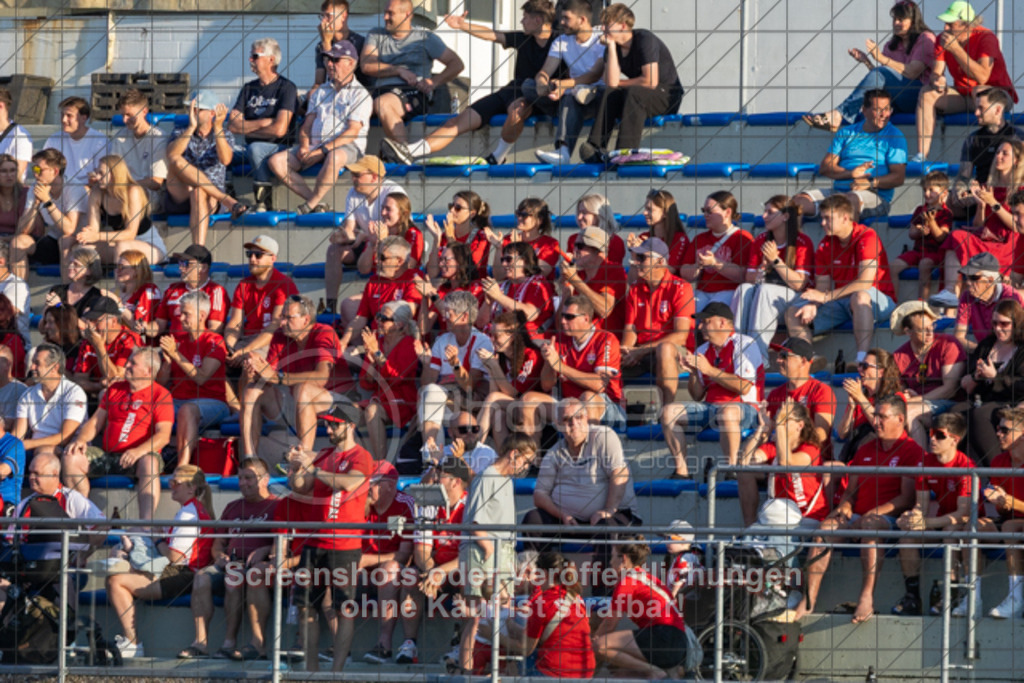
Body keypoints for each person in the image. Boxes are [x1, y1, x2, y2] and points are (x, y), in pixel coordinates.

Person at [380, 0, 557, 165]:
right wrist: (463, 25)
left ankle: (498, 157)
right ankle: (411, 151)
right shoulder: (523, 38)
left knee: (517, 109)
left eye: (525, 17)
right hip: (510, 90)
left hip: (532, 98)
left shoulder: (559, 43)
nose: (521, 21)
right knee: (460, 120)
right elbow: (492, 35)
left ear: (538, 20)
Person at [796, 396, 922, 623]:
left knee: (870, 527)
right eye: (875, 416)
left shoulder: (911, 451)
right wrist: (845, 505)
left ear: (900, 419)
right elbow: (850, 491)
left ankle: (866, 597)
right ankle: (808, 599)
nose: (876, 422)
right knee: (825, 530)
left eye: (882, 417)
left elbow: (905, 498)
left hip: (888, 518)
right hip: (859, 515)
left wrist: (869, 514)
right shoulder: (865, 448)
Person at [286, 402, 371, 673]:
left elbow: (349, 483)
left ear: (351, 426)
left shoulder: (361, 456)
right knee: (306, 608)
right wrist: (296, 467)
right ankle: (311, 671)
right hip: (315, 541)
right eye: (327, 423)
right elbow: (300, 486)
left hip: (344, 544)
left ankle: (337, 672)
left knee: (343, 608)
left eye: (334, 423)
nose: (329, 428)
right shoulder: (323, 454)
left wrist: (312, 468)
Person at [522, 398, 640, 595]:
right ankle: (542, 589)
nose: (573, 423)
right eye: (567, 419)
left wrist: (608, 510)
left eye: (579, 417)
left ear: (587, 419)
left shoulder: (604, 436)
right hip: (570, 521)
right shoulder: (553, 453)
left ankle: (601, 596)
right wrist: (562, 515)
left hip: (614, 514)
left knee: (606, 527)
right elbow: (540, 495)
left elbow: (620, 473)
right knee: (532, 520)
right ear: (559, 425)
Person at [106, 464, 216, 659]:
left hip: (183, 574)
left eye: (175, 482)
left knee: (116, 581)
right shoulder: (191, 510)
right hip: (180, 571)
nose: (170, 486)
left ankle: (132, 643)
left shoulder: (190, 514)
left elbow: (176, 557)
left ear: (191, 488)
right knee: (120, 560)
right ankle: (130, 642)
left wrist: (157, 538)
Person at [183, 457, 278, 660]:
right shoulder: (232, 507)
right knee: (201, 577)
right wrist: (220, 557)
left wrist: (266, 549)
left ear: (265, 479)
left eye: (249, 478)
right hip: (230, 564)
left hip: (258, 568)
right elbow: (218, 544)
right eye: (240, 478)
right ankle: (200, 643)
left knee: (233, 579)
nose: (243, 483)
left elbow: (286, 543)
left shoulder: (277, 506)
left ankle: (229, 642)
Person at [455, 429, 533, 674]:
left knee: (502, 617)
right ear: (514, 454)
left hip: (502, 554)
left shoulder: (506, 481)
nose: (526, 466)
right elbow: (474, 522)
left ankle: (499, 673)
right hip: (482, 554)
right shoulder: (487, 477)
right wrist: (490, 551)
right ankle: (467, 673)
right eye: (526, 460)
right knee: (476, 617)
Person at [63, 347, 173, 520]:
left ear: (148, 371)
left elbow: (163, 435)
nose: (126, 365)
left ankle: (145, 524)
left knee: (150, 462)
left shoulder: (161, 395)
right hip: (110, 455)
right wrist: (81, 440)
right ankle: (82, 518)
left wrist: (138, 451)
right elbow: (95, 422)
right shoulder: (115, 389)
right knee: (72, 457)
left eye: (132, 363)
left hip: (139, 458)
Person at [785, 194, 897, 364]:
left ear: (845, 218)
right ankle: (807, 359)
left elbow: (865, 282)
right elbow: (822, 287)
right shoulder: (825, 245)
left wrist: (825, 297)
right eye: (822, 218)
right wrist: (814, 304)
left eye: (827, 218)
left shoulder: (867, 236)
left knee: (860, 296)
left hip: (878, 301)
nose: (822, 223)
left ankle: (861, 359)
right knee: (793, 312)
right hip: (842, 301)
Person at [661, 302, 763, 477]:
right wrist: (694, 373)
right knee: (668, 412)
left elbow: (744, 387)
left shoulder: (745, 343)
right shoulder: (703, 349)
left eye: (706, 322)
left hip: (745, 408)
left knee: (728, 412)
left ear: (722, 323)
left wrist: (709, 370)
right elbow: (698, 395)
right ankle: (682, 471)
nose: (700, 327)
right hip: (711, 408)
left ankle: (731, 470)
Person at [269, 39, 370, 215]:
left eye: (335, 60)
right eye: (328, 60)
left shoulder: (360, 94)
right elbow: (306, 126)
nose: (330, 64)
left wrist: (321, 151)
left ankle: (311, 203)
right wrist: (305, 147)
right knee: (276, 161)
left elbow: (352, 132)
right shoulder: (321, 91)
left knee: (335, 156)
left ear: (351, 63)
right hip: (316, 145)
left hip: (346, 147)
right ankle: (316, 202)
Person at [802, 1, 935, 132]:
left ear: (913, 20)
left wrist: (882, 59)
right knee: (872, 104)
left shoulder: (925, 39)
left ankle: (839, 115)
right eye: (894, 19)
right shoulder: (891, 46)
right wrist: (867, 62)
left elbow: (912, 72)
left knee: (876, 94)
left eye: (901, 19)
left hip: (919, 98)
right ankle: (847, 129)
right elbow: (881, 79)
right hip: (896, 99)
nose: (896, 23)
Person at [577, 3, 684, 164]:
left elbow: (650, 80)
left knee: (633, 92)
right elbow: (611, 83)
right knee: (607, 92)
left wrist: (620, 84)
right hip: (639, 95)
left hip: (667, 95)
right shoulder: (613, 47)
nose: (603, 28)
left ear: (622, 26)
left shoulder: (644, 40)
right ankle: (596, 147)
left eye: (608, 24)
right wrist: (612, 47)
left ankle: (624, 153)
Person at [893, 412, 976, 616]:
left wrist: (926, 522)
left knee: (951, 530)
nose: (932, 439)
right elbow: (920, 505)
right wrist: (912, 518)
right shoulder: (925, 462)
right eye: (931, 433)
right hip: (941, 520)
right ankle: (912, 597)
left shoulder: (965, 466)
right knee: (907, 536)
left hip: (966, 524)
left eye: (939, 435)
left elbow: (963, 513)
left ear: (955, 440)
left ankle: (951, 594)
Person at [239, 295, 342, 457]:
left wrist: (278, 377)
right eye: (282, 317)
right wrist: (255, 371)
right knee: (251, 391)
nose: (282, 323)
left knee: (304, 390)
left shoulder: (324, 332)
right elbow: (269, 376)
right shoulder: (280, 335)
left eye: (288, 318)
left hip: (335, 403)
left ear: (306, 319)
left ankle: (303, 458)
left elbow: (322, 377)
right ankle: (250, 460)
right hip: (293, 402)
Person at [914, 1, 1017, 162]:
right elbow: (936, 71)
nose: (945, 28)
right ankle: (921, 155)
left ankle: (988, 151)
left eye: (950, 24)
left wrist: (956, 50)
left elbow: (982, 76)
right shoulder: (943, 38)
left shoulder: (986, 38)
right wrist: (937, 79)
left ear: (967, 25)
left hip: (999, 96)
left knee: (980, 91)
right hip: (966, 96)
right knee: (927, 93)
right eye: (945, 23)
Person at [1, 455, 104, 610]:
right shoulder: (24, 504)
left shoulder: (71, 499)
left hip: (62, 569)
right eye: (31, 473)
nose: (32, 478)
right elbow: (11, 541)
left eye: (37, 473)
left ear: (54, 474)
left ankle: (68, 629)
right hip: (30, 568)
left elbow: (102, 527)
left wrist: (82, 555)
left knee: (63, 580)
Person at [396, 455, 471, 664]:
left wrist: (440, 572)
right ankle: (409, 644)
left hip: (460, 567)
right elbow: (421, 551)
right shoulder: (429, 502)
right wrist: (431, 571)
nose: (435, 479)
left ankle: (460, 643)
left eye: (441, 476)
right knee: (410, 575)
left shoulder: (471, 506)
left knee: (470, 577)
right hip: (435, 567)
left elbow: (470, 555)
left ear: (455, 481)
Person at [361, 0, 465, 145]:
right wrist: (398, 70)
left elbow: (456, 64)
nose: (385, 17)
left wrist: (434, 82)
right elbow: (366, 65)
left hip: (413, 92)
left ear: (407, 14)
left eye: (390, 13)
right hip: (380, 91)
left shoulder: (425, 38)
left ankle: (403, 155)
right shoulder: (375, 35)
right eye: (385, 12)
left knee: (382, 103)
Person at [521, 295, 625, 440]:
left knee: (587, 398)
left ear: (586, 318)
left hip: (608, 407)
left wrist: (560, 366)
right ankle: (532, 459)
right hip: (569, 405)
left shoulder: (606, 339)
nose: (563, 321)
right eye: (562, 315)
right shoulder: (560, 340)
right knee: (529, 400)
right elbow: (546, 385)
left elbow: (600, 385)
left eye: (569, 317)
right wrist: (549, 362)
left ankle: (592, 455)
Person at [794, 89, 907, 220]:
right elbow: (825, 168)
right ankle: (792, 241)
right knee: (795, 204)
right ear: (864, 110)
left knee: (847, 203)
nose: (884, 115)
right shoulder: (846, 132)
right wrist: (851, 173)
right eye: (878, 110)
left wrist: (870, 183)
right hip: (839, 192)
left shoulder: (895, 136)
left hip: (875, 195)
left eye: (887, 109)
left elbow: (898, 177)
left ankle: (850, 240)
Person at [592, 537, 689, 679]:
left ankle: (654, 671)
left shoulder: (627, 581)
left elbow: (610, 623)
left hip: (664, 637)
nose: (610, 562)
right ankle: (664, 671)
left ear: (623, 559)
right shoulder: (647, 577)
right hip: (678, 641)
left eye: (612, 557)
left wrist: (594, 640)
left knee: (601, 646)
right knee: (621, 673)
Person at [731, 195, 813, 358]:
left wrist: (776, 261)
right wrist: (763, 267)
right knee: (743, 289)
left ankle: (758, 355)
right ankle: (735, 348)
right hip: (765, 300)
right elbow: (749, 278)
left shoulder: (802, 242)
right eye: (764, 211)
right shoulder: (761, 240)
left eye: (770, 212)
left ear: (785, 216)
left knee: (765, 291)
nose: (764, 216)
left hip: (794, 300)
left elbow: (799, 284)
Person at [324, 155, 406, 314]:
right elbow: (350, 228)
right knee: (333, 250)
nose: (353, 179)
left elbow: (395, 232)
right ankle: (330, 306)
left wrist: (364, 236)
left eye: (357, 175)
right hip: (370, 242)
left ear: (374, 177)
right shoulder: (353, 193)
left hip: (392, 245)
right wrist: (343, 236)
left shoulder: (394, 193)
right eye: (352, 175)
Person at [165, 92, 249, 246]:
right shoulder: (180, 131)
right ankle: (228, 200)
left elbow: (225, 160)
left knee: (199, 192)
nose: (193, 112)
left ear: (212, 113)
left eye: (198, 109)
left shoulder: (225, 134)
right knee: (176, 159)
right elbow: (171, 155)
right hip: (182, 192)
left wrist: (218, 128)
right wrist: (190, 128)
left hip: (209, 198)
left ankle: (198, 249)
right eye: (191, 109)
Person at [940, 141, 1024, 294]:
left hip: (1009, 245)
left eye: (1005, 153)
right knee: (956, 237)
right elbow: (979, 225)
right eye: (997, 152)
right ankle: (950, 291)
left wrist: (993, 202)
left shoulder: (1021, 189)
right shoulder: (989, 186)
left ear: (1016, 160)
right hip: (987, 238)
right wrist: (981, 205)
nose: (998, 156)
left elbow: (1018, 225)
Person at [620, 237, 694, 411]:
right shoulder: (636, 289)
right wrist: (626, 351)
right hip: (643, 351)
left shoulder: (681, 287)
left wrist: (641, 350)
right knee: (607, 355)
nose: (635, 262)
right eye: (636, 258)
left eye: (642, 258)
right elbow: (630, 330)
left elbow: (680, 336)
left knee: (665, 349)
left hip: (673, 353)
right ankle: (614, 414)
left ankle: (667, 412)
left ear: (660, 262)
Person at [158, 291, 231, 468]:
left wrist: (176, 354)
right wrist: (167, 364)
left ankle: (183, 466)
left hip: (211, 402)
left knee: (187, 410)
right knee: (146, 405)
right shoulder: (178, 340)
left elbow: (202, 378)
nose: (180, 317)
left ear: (202, 316)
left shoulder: (214, 341)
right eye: (180, 313)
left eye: (186, 314)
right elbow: (159, 384)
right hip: (178, 400)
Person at [416, 291, 493, 451]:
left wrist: (455, 365)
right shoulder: (442, 340)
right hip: (449, 404)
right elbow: (426, 384)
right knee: (429, 394)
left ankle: (433, 458)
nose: (444, 317)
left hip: (472, 407)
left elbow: (470, 387)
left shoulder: (482, 342)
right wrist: (426, 363)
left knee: (432, 399)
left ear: (464, 317)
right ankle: (433, 458)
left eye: (448, 313)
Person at [229, 37, 298, 213]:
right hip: (249, 145)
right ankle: (228, 200)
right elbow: (233, 126)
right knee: (220, 147)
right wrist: (264, 122)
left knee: (256, 149)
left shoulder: (286, 88)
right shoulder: (248, 88)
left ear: (271, 60)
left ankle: (264, 203)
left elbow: (280, 130)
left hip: (279, 148)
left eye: (255, 56)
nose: (250, 60)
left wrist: (248, 128)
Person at [533, 0, 605, 165]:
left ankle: (563, 151)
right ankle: (557, 102)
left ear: (582, 20)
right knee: (527, 86)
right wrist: (541, 81)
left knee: (572, 96)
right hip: (570, 91)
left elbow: (594, 75)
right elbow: (546, 71)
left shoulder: (600, 41)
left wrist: (564, 85)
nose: (561, 22)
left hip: (596, 96)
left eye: (566, 18)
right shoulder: (561, 41)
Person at [503, 551, 595, 678]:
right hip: (585, 673)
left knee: (522, 652)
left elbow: (525, 648)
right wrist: (511, 625)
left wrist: (496, 636)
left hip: (555, 674)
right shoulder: (576, 597)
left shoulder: (543, 602)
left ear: (544, 574)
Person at [738, 400, 828, 529]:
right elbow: (743, 462)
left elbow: (786, 462)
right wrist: (761, 430)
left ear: (800, 425)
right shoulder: (772, 447)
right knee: (744, 472)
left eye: (785, 419)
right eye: (778, 418)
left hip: (808, 517)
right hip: (780, 515)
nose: (779, 422)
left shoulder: (810, 448)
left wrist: (779, 426)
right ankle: (749, 527)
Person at [359, 460, 415, 664]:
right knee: (336, 565)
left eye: (373, 483)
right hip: (362, 569)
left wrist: (367, 560)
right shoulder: (360, 504)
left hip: (390, 571)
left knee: (389, 569)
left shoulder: (405, 505)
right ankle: (337, 645)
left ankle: (384, 644)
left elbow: (404, 556)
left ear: (390, 485)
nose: (367, 488)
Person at [890, 301, 966, 445]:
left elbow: (949, 389)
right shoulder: (899, 355)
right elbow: (897, 389)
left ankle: (922, 463)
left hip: (950, 403)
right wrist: (905, 393)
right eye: (923, 329)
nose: (930, 332)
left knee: (908, 413)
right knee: (892, 414)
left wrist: (916, 399)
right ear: (908, 332)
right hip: (921, 403)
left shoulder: (948, 344)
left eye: (932, 326)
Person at [959, 299, 1024, 465]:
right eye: (994, 323)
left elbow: (1021, 386)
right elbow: (966, 384)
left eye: (1004, 324)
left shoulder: (1021, 348)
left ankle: (995, 469)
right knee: (955, 413)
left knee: (980, 415)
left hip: (1012, 401)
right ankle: (960, 474)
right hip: (982, 398)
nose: (998, 328)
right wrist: (977, 376)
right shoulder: (987, 344)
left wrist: (996, 378)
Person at [74, 153, 166, 266]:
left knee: (122, 246)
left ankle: (120, 283)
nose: (97, 177)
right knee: (82, 250)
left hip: (148, 245)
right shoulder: (97, 192)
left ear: (115, 174)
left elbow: (130, 234)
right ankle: (81, 283)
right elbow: (93, 230)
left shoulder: (133, 191)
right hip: (119, 245)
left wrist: (97, 236)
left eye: (101, 173)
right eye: (96, 172)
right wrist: (85, 235)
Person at [357, 300, 420, 458]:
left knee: (372, 410)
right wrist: (371, 359)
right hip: (380, 398)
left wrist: (377, 354)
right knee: (343, 413)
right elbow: (366, 383)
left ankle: (381, 465)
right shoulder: (377, 342)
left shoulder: (410, 344)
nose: (378, 321)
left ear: (399, 325)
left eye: (383, 319)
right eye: (378, 316)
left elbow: (397, 378)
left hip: (403, 400)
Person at [11, 148, 86, 280]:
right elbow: (22, 230)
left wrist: (47, 201)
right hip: (54, 242)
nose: (35, 174)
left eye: (39, 170)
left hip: (78, 243)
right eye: (34, 169)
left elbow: (69, 229)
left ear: (55, 171)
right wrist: (35, 204)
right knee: (18, 242)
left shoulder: (74, 187)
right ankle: (19, 295)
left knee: (65, 240)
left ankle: (66, 296)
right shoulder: (36, 187)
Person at [949, 86, 1023, 215]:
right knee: (945, 202)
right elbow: (963, 176)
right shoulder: (973, 139)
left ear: (998, 110)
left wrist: (990, 194)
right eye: (976, 108)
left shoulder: (1018, 137)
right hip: (980, 194)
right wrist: (959, 191)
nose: (976, 113)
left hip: (1007, 194)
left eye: (981, 108)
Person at [224, 235, 299, 361]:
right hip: (247, 339)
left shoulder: (283, 284)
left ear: (272, 258)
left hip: (272, 341)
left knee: (251, 363)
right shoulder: (243, 285)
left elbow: (275, 326)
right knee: (215, 360)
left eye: (258, 255)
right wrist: (229, 348)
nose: (252, 259)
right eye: (250, 254)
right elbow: (235, 323)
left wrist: (245, 351)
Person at [338, 234, 423, 345]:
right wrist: (343, 342)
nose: (377, 261)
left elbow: (407, 314)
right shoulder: (374, 281)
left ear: (399, 261)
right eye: (376, 255)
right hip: (375, 342)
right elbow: (360, 319)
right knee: (336, 355)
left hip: (400, 344)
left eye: (382, 257)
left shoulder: (414, 279)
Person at [476, 310, 543, 449]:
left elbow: (514, 392)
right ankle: (506, 460)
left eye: (497, 335)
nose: (492, 340)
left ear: (511, 336)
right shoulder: (501, 357)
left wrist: (494, 366)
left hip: (534, 409)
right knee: (497, 414)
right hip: (512, 406)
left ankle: (474, 448)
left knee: (494, 399)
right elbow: (493, 394)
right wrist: (491, 368)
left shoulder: (530, 356)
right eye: (491, 335)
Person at [981, 406, 1024, 619]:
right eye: (998, 428)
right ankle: (969, 598)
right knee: (969, 528)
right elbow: (1000, 508)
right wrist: (1000, 502)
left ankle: (1016, 598)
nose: (998, 434)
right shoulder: (999, 461)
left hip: (1014, 523)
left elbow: (1012, 505)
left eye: (1005, 430)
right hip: (1010, 521)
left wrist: (1011, 502)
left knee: (1011, 527)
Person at [679, 190, 753, 312]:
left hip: (730, 292)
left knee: (712, 313)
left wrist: (715, 263)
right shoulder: (700, 239)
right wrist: (697, 266)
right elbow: (685, 273)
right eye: (704, 211)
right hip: (702, 292)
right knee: (685, 313)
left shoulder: (742, 238)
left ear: (727, 212)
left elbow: (744, 275)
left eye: (710, 211)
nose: (705, 215)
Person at [765, 338, 837, 457]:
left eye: (784, 356)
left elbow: (821, 433)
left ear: (803, 361)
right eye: (778, 356)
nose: (778, 360)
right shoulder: (775, 394)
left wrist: (791, 442)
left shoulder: (821, 391)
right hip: (780, 457)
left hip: (812, 461)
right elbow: (767, 431)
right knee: (747, 470)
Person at [13, 344, 85, 463]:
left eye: (37, 363)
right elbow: (17, 434)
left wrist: (27, 444)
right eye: (32, 363)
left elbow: (64, 438)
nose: (32, 367)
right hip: (32, 450)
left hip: (67, 451)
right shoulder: (28, 394)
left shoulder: (74, 393)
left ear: (54, 368)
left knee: (42, 452)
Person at [890, 171, 953, 300]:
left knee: (924, 265)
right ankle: (892, 301)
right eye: (925, 190)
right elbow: (911, 233)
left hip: (935, 253)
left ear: (944, 193)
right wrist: (919, 231)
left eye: (931, 190)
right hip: (918, 251)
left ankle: (922, 302)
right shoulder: (920, 210)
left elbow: (942, 237)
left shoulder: (946, 213)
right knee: (893, 266)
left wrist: (931, 223)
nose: (927, 193)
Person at [835, 348, 906, 460]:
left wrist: (860, 398)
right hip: (856, 456)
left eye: (865, 366)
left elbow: (881, 425)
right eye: (859, 365)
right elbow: (842, 434)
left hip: (880, 457)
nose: (859, 369)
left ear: (881, 372)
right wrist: (851, 408)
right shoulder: (861, 397)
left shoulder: (896, 398)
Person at [951, 251, 1024, 353]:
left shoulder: (1010, 297)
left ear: (990, 280)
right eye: (965, 277)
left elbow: (1013, 340)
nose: (967, 282)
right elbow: (958, 336)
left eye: (973, 278)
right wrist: (981, 351)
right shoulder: (967, 296)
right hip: (984, 351)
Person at [561, 225, 627, 334]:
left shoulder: (614, 271)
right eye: (574, 245)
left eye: (580, 246)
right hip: (580, 341)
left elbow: (604, 310)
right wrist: (566, 292)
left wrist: (575, 280)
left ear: (597, 250)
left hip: (605, 341)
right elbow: (561, 325)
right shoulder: (579, 274)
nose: (575, 250)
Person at [71, 296, 143, 397]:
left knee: (105, 394)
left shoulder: (129, 339)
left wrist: (99, 347)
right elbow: (79, 380)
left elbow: (115, 378)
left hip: (133, 394)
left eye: (95, 320)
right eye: (89, 320)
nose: (90, 326)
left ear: (113, 321)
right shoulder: (88, 341)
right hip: (101, 392)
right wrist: (98, 385)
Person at [153, 244, 229, 337]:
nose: (181, 268)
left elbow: (214, 330)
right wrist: (144, 328)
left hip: (199, 348)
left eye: (186, 264)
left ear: (203, 268)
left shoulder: (215, 291)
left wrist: (188, 346)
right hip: (172, 345)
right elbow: (159, 325)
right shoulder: (172, 289)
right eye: (180, 263)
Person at [479, 241, 555, 335]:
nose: (504, 264)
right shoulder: (502, 286)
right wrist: (488, 303)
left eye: (509, 259)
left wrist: (499, 297)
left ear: (525, 261)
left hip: (530, 341)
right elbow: (480, 323)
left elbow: (530, 314)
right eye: (502, 260)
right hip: (500, 340)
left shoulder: (538, 283)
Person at [43, 96, 109, 193]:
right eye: (62, 115)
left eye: (69, 115)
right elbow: (39, 166)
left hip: (87, 192)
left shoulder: (100, 141)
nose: (64, 120)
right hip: (58, 190)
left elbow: (100, 177)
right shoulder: (54, 139)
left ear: (83, 118)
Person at [111, 89, 168, 198]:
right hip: (124, 192)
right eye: (122, 115)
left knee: (133, 193)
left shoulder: (158, 138)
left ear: (144, 111)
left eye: (129, 115)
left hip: (151, 195)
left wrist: (127, 186)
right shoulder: (120, 137)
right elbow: (113, 171)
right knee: (96, 193)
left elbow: (156, 182)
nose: (124, 120)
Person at [423, 190, 492, 280]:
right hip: (449, 286)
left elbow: (468, 268)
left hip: (472, 286)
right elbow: (432, 273)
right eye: (451, 206)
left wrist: (451, 240)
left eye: (458, 208)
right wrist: (437, 238)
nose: (451, 210)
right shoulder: (446, 234)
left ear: (472, 213)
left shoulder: (480, 236)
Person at [486, 197, 560, 280]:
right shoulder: (508, 239)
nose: (519, 218)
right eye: (518, 213)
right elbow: (499, 276)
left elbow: (539, 273)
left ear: (539, 220)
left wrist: (518, 248)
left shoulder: (549, 244)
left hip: (535, 290)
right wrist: (499, 248)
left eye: (525, 215)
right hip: (512, 291)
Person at [419, 242, 484, 335]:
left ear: (460, 261)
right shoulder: (443, 289)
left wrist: (432, 295)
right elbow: (423, 329)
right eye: (440, 260)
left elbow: (457, 319)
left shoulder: (475, 287)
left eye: (446, 260)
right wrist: (424, 297)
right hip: (444, 343)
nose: (441, 264)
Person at [356, 192, 424, 274]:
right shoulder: (378, 231)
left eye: (388, 209)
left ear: (403, 213)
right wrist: (371, 244)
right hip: (378, 283)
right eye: (382, 208)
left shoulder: (412, 233)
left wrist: (383, 242)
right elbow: (363, 270)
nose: (383, 213)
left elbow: (408, 266)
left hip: (403, 284)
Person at [314, 0, 367, 87]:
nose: (323, 21)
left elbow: (339, 76)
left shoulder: (359, 43)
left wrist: (326, 42)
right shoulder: (321, 45)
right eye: (322, 16)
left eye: (328, 16)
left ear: (343, 16)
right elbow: (319, 81)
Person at [45, 245, 106, 318]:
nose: (70, 266)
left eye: (76, 264)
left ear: (89, 270)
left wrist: (59, 306)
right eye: (70, 263)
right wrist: (47, 309)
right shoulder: (57, 290)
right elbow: (43, 325)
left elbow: (84, 326)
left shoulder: (96, 297)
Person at [566, 193, 625, 265]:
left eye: (584, 212)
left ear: (599, 215)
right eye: (578, 213)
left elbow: (612, 273)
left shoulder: (615, 242)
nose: (579, 217)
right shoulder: (573, 239)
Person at [114, 249, 161, 336]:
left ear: (136, 270)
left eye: (122, 267)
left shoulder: (149, 290)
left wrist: (119, 306)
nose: (117, 270)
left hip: (138, 344)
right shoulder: (114, 292)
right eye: (117, 267)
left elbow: (138, 327)